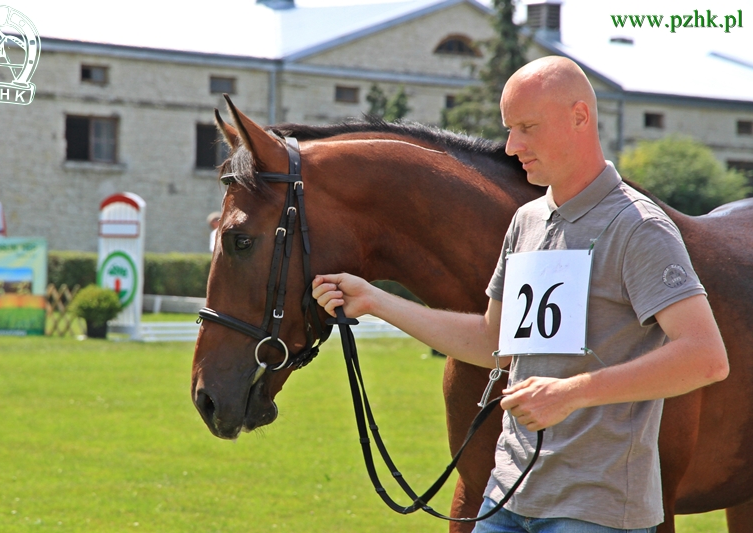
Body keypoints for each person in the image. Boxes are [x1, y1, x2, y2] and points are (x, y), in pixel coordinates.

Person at [311, 56, 728, 533]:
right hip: (507, 499)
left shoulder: (640, 227)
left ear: (579, 117)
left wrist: (572, 392)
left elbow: (705, 357)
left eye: (527, 127)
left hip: (597, 512)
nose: (512, 146)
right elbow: (494, 341)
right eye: (509, 129)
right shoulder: (526, 221)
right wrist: (376, 301)